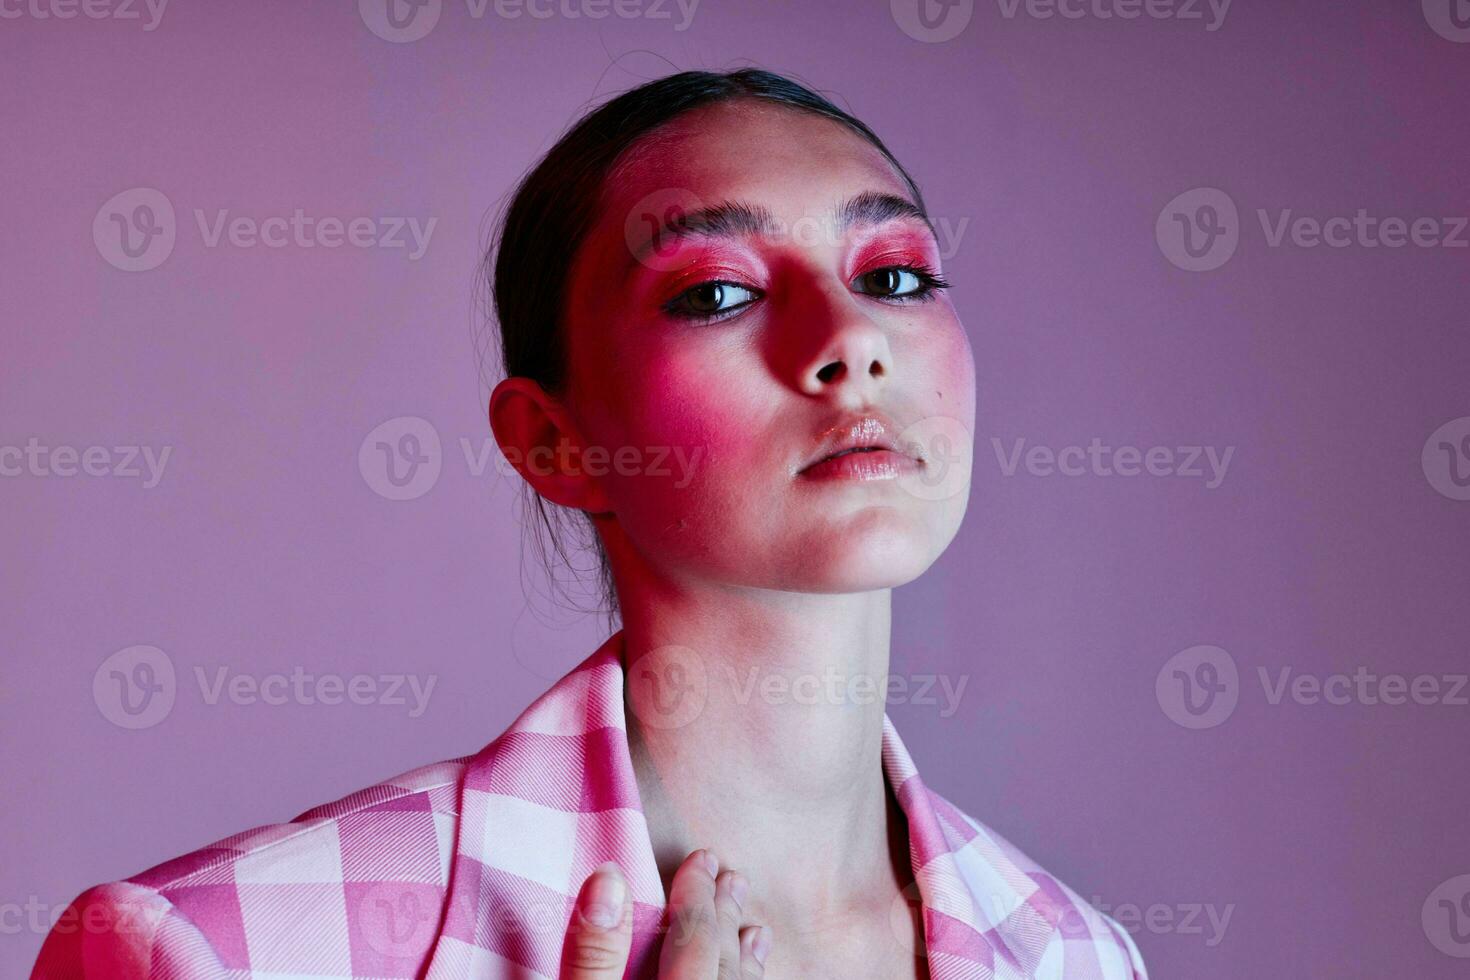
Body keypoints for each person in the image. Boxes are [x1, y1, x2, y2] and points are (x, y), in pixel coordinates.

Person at [33, 68, 1147, 979]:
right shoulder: (220, 949)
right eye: (717, 291)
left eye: (896, 274)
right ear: (555, 443)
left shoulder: (1081, 955)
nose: (852, 338)